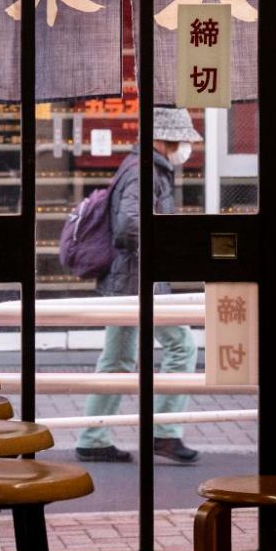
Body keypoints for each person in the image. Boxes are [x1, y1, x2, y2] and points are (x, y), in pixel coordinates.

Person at [75, 107, 202, 464]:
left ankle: (94, 436)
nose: (186, 148)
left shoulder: (143, 168)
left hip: (130, 280)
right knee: (182, 347)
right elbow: (129, 226)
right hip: (139, 281)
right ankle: (163, 432)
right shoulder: (145, 172)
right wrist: (162, 253)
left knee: (117, 359)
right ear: (164, 139)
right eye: (182, 140)